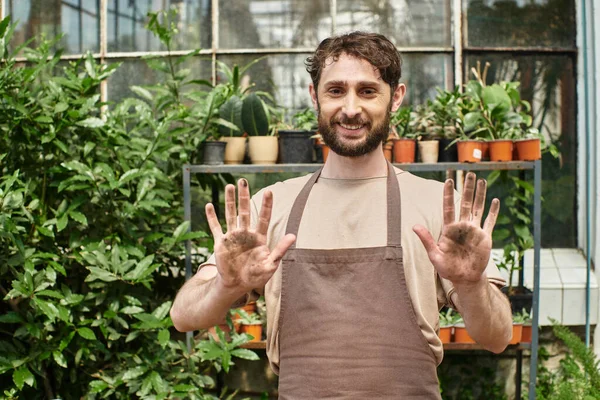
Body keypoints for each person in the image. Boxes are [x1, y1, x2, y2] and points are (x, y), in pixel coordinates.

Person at [171, 31, 513, 399]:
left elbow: (497, 338)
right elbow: (184, 316)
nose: (351, 109)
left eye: (367, 91)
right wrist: (227, 285)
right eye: (336, 91)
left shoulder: (436, 206)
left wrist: (471, 284)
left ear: (395, 97)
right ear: (313, 95)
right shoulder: (271, 207)